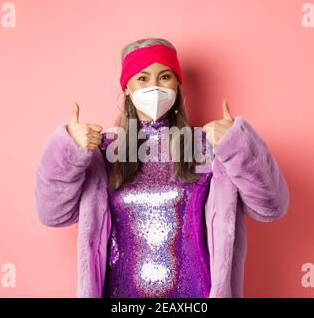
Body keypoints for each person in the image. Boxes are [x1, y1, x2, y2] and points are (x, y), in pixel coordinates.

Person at [34, 38, 289, 298]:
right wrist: (68, 150)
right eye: (142, 78)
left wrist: (238, 143)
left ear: (177, 86)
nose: (154, 87)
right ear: (127, 90)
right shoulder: (104, 150)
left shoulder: (206, 145)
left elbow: (270, 207)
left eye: (164, 76)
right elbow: (52, 214)